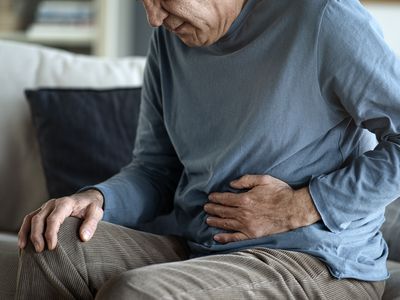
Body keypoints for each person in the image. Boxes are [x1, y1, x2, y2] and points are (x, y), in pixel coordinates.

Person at [15, 0, 400, 298]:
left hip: (314, 260)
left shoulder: (323, 17)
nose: (153, 17)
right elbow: (155, 169)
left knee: (138, 294)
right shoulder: (170, 40)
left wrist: (302, 204)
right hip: (201, 250)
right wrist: (98, 198)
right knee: (49, 241)